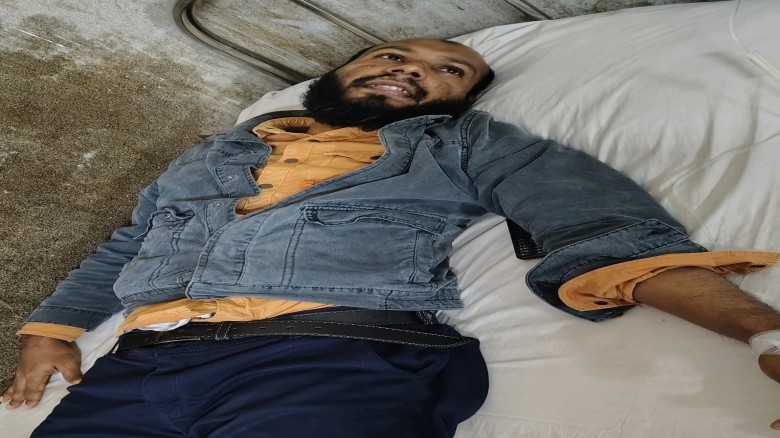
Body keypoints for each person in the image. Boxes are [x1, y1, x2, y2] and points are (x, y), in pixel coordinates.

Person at [2, 38, 780, 437]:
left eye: (449, 71)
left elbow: (604, 232)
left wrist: (762, 334)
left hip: (327, 359)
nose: (412, 69)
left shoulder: (465, 144)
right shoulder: (219, 151)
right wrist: (50, 329)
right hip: (136, 369)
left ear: (456, 103)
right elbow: (130, 240)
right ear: (339, 75)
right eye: (391, 55)